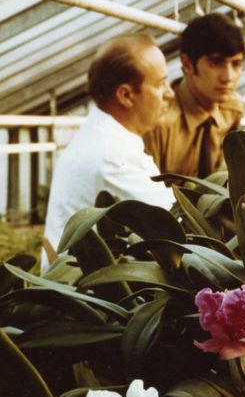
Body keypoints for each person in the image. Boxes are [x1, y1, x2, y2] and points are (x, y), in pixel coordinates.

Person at [43, 34, 176, 262]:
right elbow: (174, 227)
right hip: (87, 292)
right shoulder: (112, 155)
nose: (170, 93)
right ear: (126, 95)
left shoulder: (105, 137)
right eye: (160, 83)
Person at [144, 12, 245, 179]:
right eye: (215, 62)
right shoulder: (159, 122)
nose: (228, 77)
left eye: (236, 64)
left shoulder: (232, 110)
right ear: (187, 64)